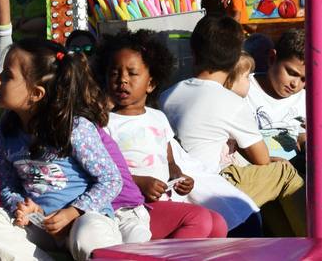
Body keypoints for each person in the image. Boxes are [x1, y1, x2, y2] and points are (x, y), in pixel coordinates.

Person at [0, 37, 124, 261]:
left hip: (81, 221)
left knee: (89, 234)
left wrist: (73, 212)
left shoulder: (74, 128)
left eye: (8, 75)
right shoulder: (6, 130)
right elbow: (8, 188)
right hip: (40, 225)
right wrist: (21, 209)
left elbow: (110, 180)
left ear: (36, 93)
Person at [160, 14, 306, 236]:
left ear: (193, 51)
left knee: (268, 183)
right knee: (284, 172)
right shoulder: (231, 102)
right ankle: (317, 237)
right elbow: (261, 158)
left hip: (177, 188)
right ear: (235, 59)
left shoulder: (167, 96)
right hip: (212, 187)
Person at [99, 31, 250, 236]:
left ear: (151, 83)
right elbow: (105, 172)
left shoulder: (157, 118)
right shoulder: (106, 124)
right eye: (115, 73)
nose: (122, 80)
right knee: (199, 220)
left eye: (132, 73)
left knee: (218, 223)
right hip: (130, 208)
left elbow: (169, 160)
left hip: (162, 201)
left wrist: (179, 176)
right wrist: (141, 183)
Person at [246, 30, 307, 161]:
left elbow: (302, 136)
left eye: (304, 79)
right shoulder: (245, 89)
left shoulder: (304, 98)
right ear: (272, 59)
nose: (295, 84)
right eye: (291, 73)